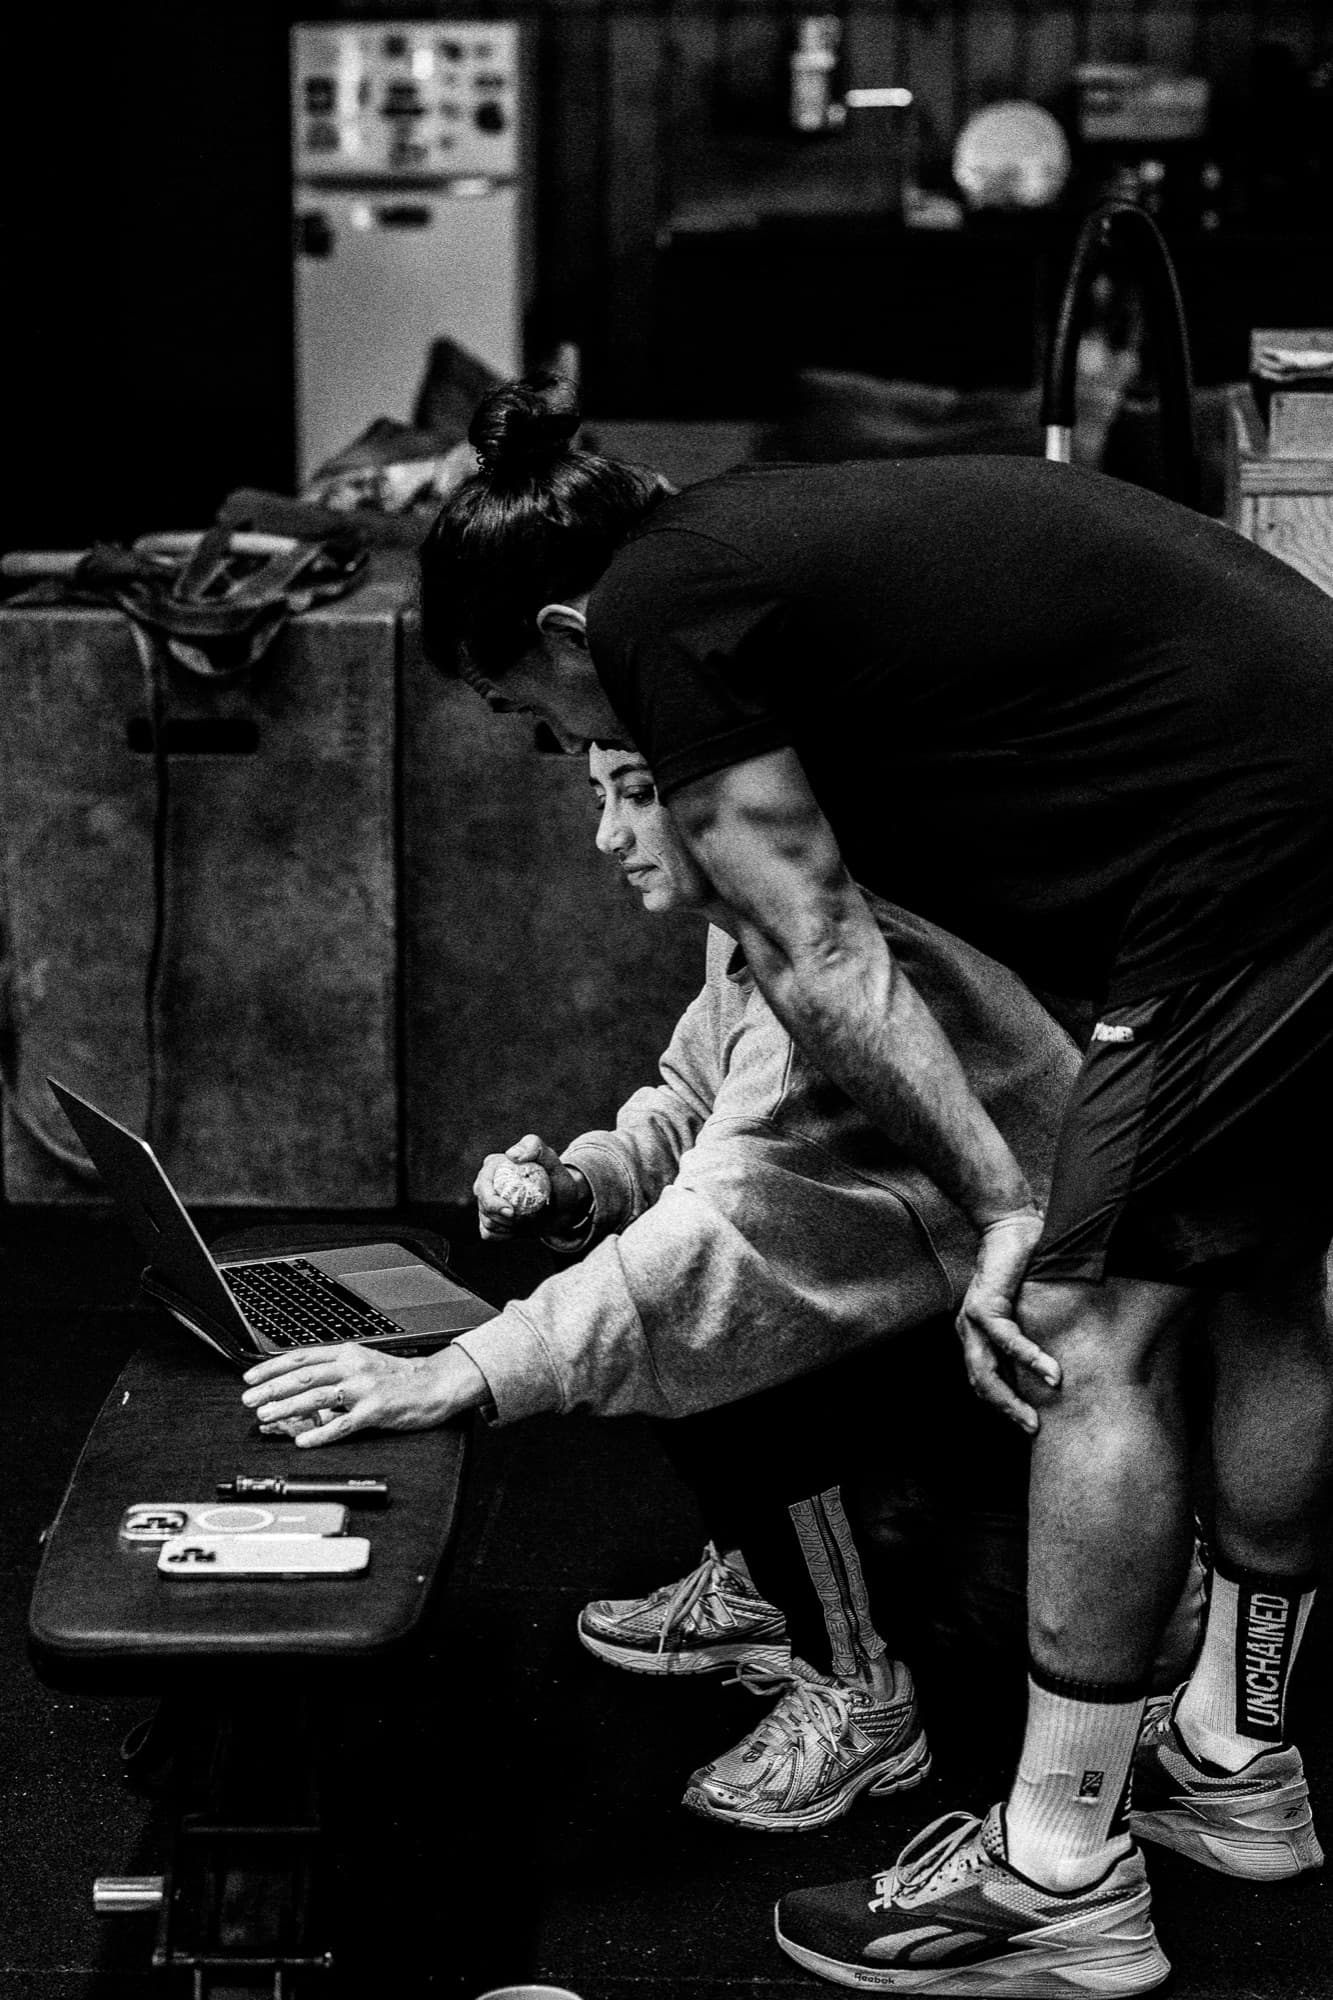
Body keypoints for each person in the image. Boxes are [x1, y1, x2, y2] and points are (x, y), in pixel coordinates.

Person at [412, 372, 1333, 1994]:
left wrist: (1002, 1204)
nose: (567, 746)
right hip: (1287, 791)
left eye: (528, 709)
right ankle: (1235, 1760)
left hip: (1253, 845)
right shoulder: (746, 553)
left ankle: (1057, 1873)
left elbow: (821, 949)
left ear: (564, 630)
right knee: (1260, 1286)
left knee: (1086, 1329)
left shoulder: (656, 615)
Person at [242, 737, 1086, 1833]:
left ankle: (864, 1692)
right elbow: (696, 1100)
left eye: (638, 796)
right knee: (673, 1289)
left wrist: (455, 1372)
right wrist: (578, 1184)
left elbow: (711, 1243)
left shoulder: (838, 983)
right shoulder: (762, 916)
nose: (608, 835)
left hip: (1044, 1352)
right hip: (939, 1289)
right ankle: (769, 1582)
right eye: (600, 796)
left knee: (727, 1334)